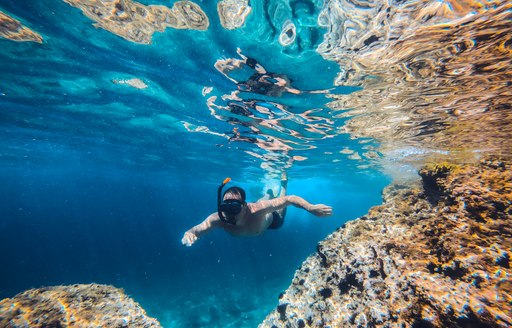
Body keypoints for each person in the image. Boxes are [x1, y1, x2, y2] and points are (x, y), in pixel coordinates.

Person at [181, 176, 333, 246]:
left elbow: (290, 199)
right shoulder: (219, 219)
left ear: (244, 206)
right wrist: (190, 233)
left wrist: (310, 207)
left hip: (271, 221)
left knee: (279, 205)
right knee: (263, 201)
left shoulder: (255, 210)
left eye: (234, 208)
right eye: (226, 208)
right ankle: (267, 193)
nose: (230, 213)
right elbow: (201, 227)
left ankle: (283, 184)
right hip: (256, 211)